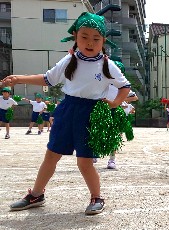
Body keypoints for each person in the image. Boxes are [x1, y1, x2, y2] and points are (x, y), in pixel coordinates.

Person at [3, 12, 130, 215]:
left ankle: (97, 197)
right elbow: (47, 79)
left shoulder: (107, 64)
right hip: (67, 109)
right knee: (51, 155)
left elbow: (125, 86)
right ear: (76, 38)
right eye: (84, 37)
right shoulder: (69, 59)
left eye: (96, 38)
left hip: (90, 114)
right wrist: (19, 78)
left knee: (84, 162)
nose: (90, 42)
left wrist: (115, 103)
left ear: (103, 41)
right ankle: (36, 194)